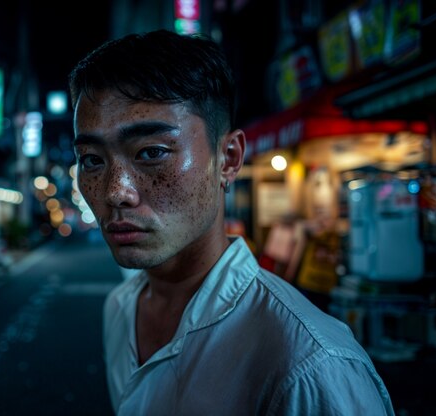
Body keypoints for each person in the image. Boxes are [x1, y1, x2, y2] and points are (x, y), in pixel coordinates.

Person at [69, 30, 394, 415]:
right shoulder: (121, 308)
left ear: (227, 158)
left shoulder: (311, 364)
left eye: (152, 152)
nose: (115, 192)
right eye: (92, 159)